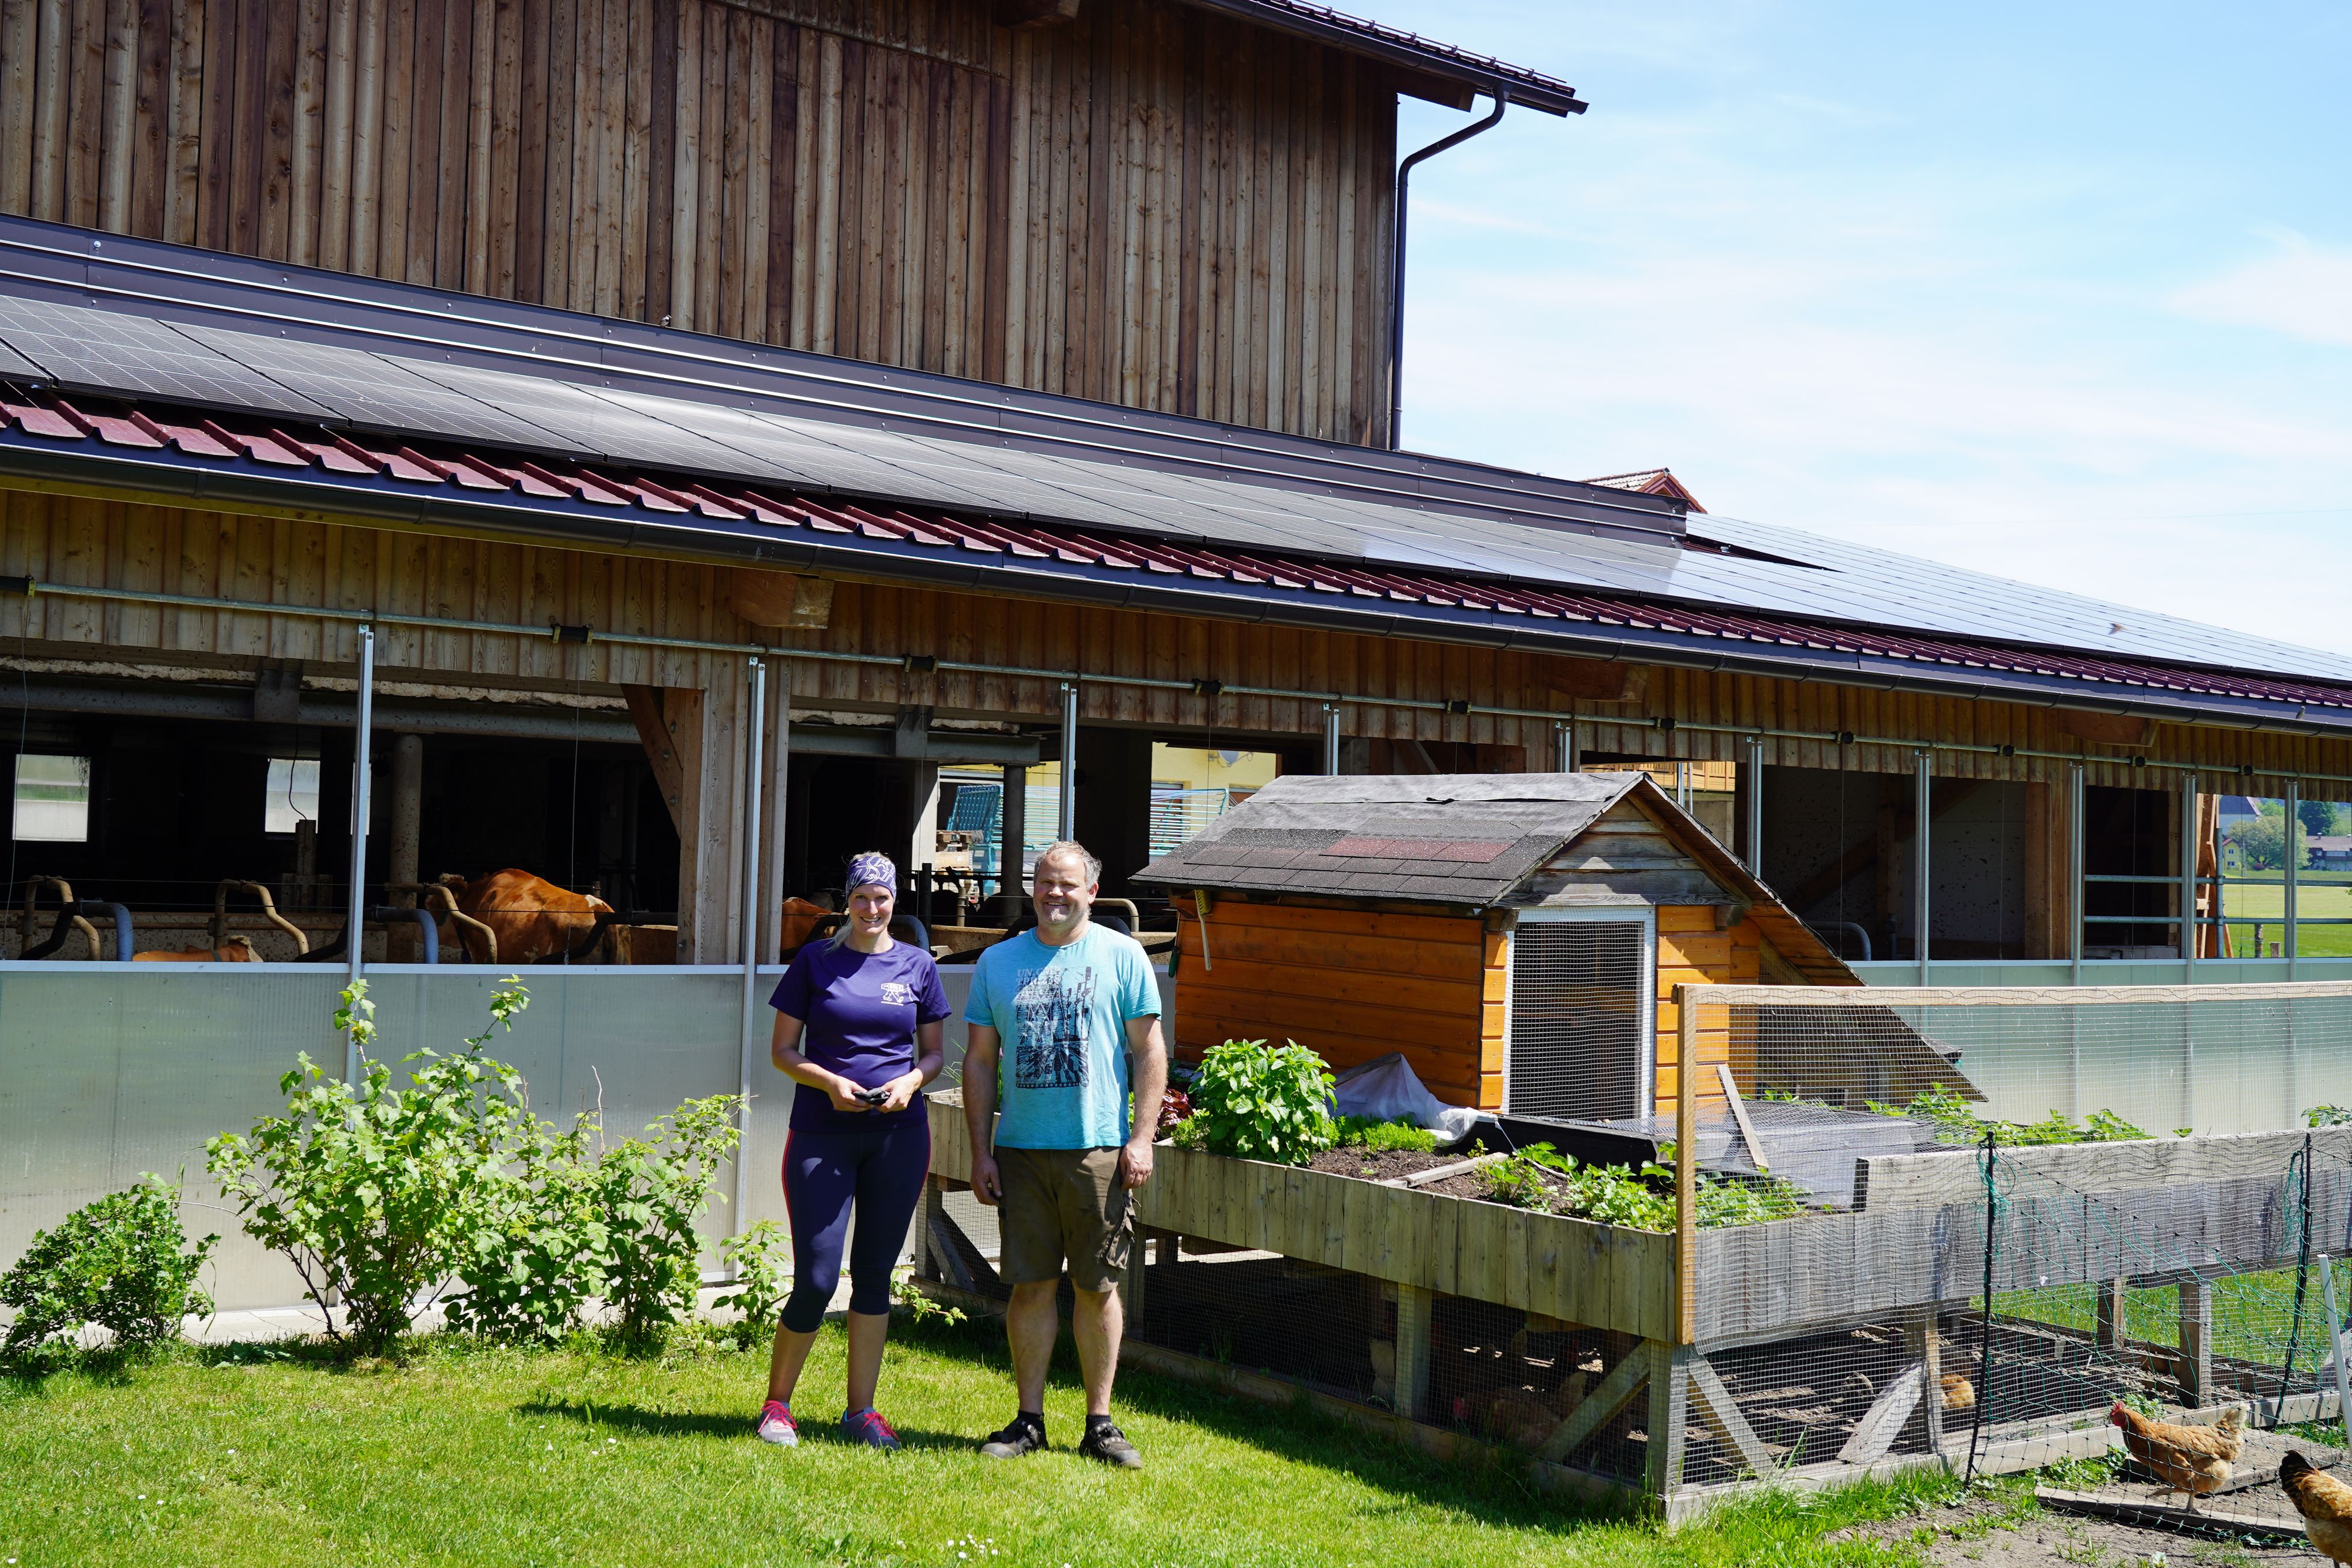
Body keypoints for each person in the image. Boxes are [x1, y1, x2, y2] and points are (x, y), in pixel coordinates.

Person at [962, 840, 1167, 1469]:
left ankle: (1099, 1424)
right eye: (1045, 883)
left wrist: (1140, 1138)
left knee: (1097, 1288)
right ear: (1033, 888)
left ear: (1092, 893)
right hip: (1021, 1151)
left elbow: (1151, 1053)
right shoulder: (998, 962)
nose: (1055, 894)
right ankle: (1028, 1422)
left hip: (1098, 1151)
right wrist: (981, 1153)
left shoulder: (1122, 955)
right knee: (1029, 1288)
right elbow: (977, 1060)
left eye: (1068, 885)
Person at [756, 851, 948, 1452]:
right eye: (862, 897)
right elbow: (782, 1052)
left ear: (895, 903)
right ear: (847, 901)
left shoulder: (918, 965)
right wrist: (830, 1084)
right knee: (815, 1277)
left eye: (883, 898)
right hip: (821, 1134)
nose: (872, 909)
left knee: (873, 1277)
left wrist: (911, 1083)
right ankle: (777, 1407)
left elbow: (935, 1054)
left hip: (898, 1136)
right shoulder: (816, 961)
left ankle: (860, 1412)